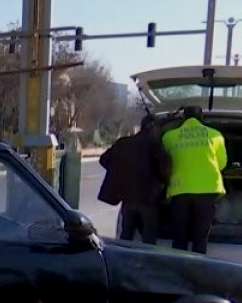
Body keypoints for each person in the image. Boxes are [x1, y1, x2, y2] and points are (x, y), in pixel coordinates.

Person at [160, 105, 229, 254]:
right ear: (202, 118)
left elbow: (162, 163)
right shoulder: (215, 135)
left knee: (179, 237)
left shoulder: (169, 136)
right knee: (200, 238)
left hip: (180, 191)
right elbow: (222, 164)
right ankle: (197, 270)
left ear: (184, 118)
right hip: (208, 190)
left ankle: (179, 268)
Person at [97, 115, 170, 244]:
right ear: (153, 128)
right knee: (149, 237)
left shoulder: (123, 143)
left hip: (127, 199)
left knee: (126, 235)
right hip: (148, 200)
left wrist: (119, 172)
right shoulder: (155, 145)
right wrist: (163, 183)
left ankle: (124, 260)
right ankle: (146, 261)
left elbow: (104, 159)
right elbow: (165, 169)